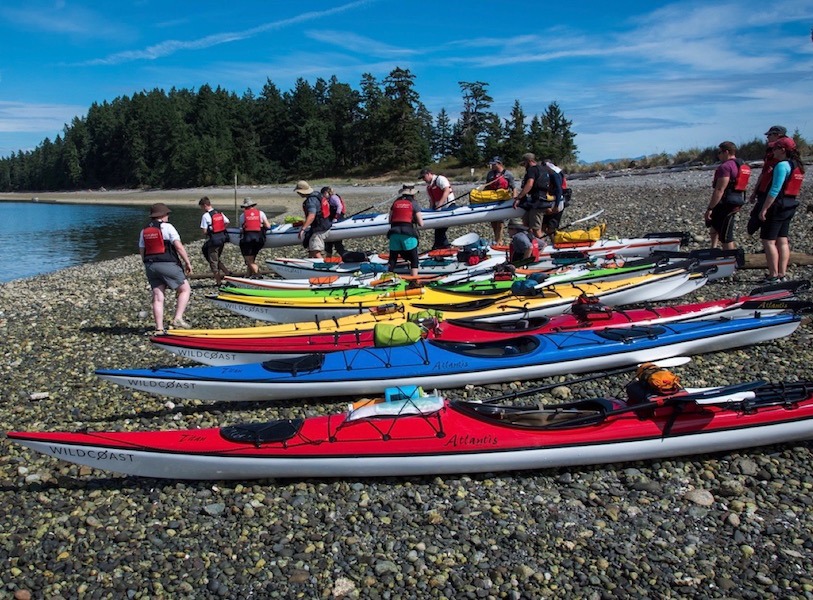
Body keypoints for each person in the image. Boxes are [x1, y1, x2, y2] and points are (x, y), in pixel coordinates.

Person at [138, 203, 193, 334]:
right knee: (185, 289)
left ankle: (159, 328)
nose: (168, 216)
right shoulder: (168, 228)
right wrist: (187, 262)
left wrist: (146, 264)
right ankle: (178, 318)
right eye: (167, 214)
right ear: (162, 216)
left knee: (157, 296)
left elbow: (142, 250)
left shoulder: (144, 231)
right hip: (167, 263)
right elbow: (178, 247)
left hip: (150, 265)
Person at [757, 137, 806, 282]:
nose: (773, 152)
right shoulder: (798, 166)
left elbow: (775, 189)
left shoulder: (782, 165)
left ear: (782, 150)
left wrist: (764, 208)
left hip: (778, 206)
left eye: (775, 149)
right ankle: (782, 274)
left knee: (769, 241)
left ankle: (773, 275)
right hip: (790, 204)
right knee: (782, 240)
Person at [747, 125, 797, 235]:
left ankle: (770, 248)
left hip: (771, 193)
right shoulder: (792, 153)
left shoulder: (778, 154)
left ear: (777, 135)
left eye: (770, 135)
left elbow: (766, 175)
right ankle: (774, 248)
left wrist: (757, 194)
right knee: (780, 234)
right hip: (787, 197)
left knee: (763, 228)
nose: (767, 137)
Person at [704, 142, 750, 250]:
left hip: (727, 203)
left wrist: (710, 208)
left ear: (726, 152)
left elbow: (720, 189)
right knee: (714, 224)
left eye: (719, 153)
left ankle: (729, 259)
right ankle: (713, 248)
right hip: (737, 200)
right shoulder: (742, 165)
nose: (718, 155)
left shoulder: (725, 167)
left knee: (726, 235)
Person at [512, 153, 559, 239]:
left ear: (529, 161)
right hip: (541, 200)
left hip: (538, 203)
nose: (524, 166)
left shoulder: (532, 170)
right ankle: (533, 243)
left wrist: (519, 197)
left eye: (524, 164)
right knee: (526, 224)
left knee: (536, 229)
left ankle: (542, 246)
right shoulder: (544, 169)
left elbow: (529, 184)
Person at [387, 183, 424, 277]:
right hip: (407, 233)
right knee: (414, 259)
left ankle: (387, 277)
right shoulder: (413, 203)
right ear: (413, 193)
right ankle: (414, 280)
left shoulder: (395, 202)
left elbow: (390, 220)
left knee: (393, 258)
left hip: (394, 233)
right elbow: (421, 223)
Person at [198, 196, 232, 285]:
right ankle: (227, 272)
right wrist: (221, 228)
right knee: (214, 257)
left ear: (205, 205)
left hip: (214, 240)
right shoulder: (219, 213)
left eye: (201, 207)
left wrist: (209, 232)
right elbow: (227, 222)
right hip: (222, 239)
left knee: (213, 260)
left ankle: (218, 281)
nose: (201, 209)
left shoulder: (205, 216)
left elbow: (204, 231)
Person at [420, 167, 455, 249]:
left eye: (423, 177)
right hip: (439, 210)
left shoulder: (440, 179)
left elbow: (446, 190)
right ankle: (445, 247)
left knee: (440, 230)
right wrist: (430, 213)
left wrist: (440, 204)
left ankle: (437, 247)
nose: (423, 179)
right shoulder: (428, 187)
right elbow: (431, 201)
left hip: (448, 206)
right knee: (438, 229)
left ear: (429, 174)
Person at [295, 180, 332, 259]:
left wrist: (303, 229)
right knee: (311, 248)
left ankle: (324, 267)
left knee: (315, 251)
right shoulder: (317, 194)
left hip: (320, 228)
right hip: (326, 224)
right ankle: (310, 263)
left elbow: (312, 215)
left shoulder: (310, 201)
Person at [484, 157, 517, 243]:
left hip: (503, 200)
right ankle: (496, 239)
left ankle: (499, 240)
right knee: (493, 221)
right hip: (491, 199)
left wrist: (514, 199)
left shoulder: (508, 174)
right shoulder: (490, 174)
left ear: (499, 164)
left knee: (500, 222)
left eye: (494, 164)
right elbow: (487, 186)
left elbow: (513, 187)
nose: (492, 166)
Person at [238, 197, 271, 278]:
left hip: (248, 239)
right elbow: (268, 226)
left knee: (248, 260)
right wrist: (260, 225)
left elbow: (242, 230)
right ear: (253, 205)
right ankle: (248, 274)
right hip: (259, 239)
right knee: (251, 258)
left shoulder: (242, 216)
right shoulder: (261, 213)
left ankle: (258, 274)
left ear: (245, 207)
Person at [321, 186, 347, 258]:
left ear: (326, 193)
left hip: (337, 218)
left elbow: (339, 206)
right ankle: (328, 256)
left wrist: (336, 217)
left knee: (337, 241)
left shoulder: (333, 197)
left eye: (323, 194)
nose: (323, 196)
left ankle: (341, 254)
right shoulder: (329, 199)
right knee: (328, 242)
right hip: (332, 218)